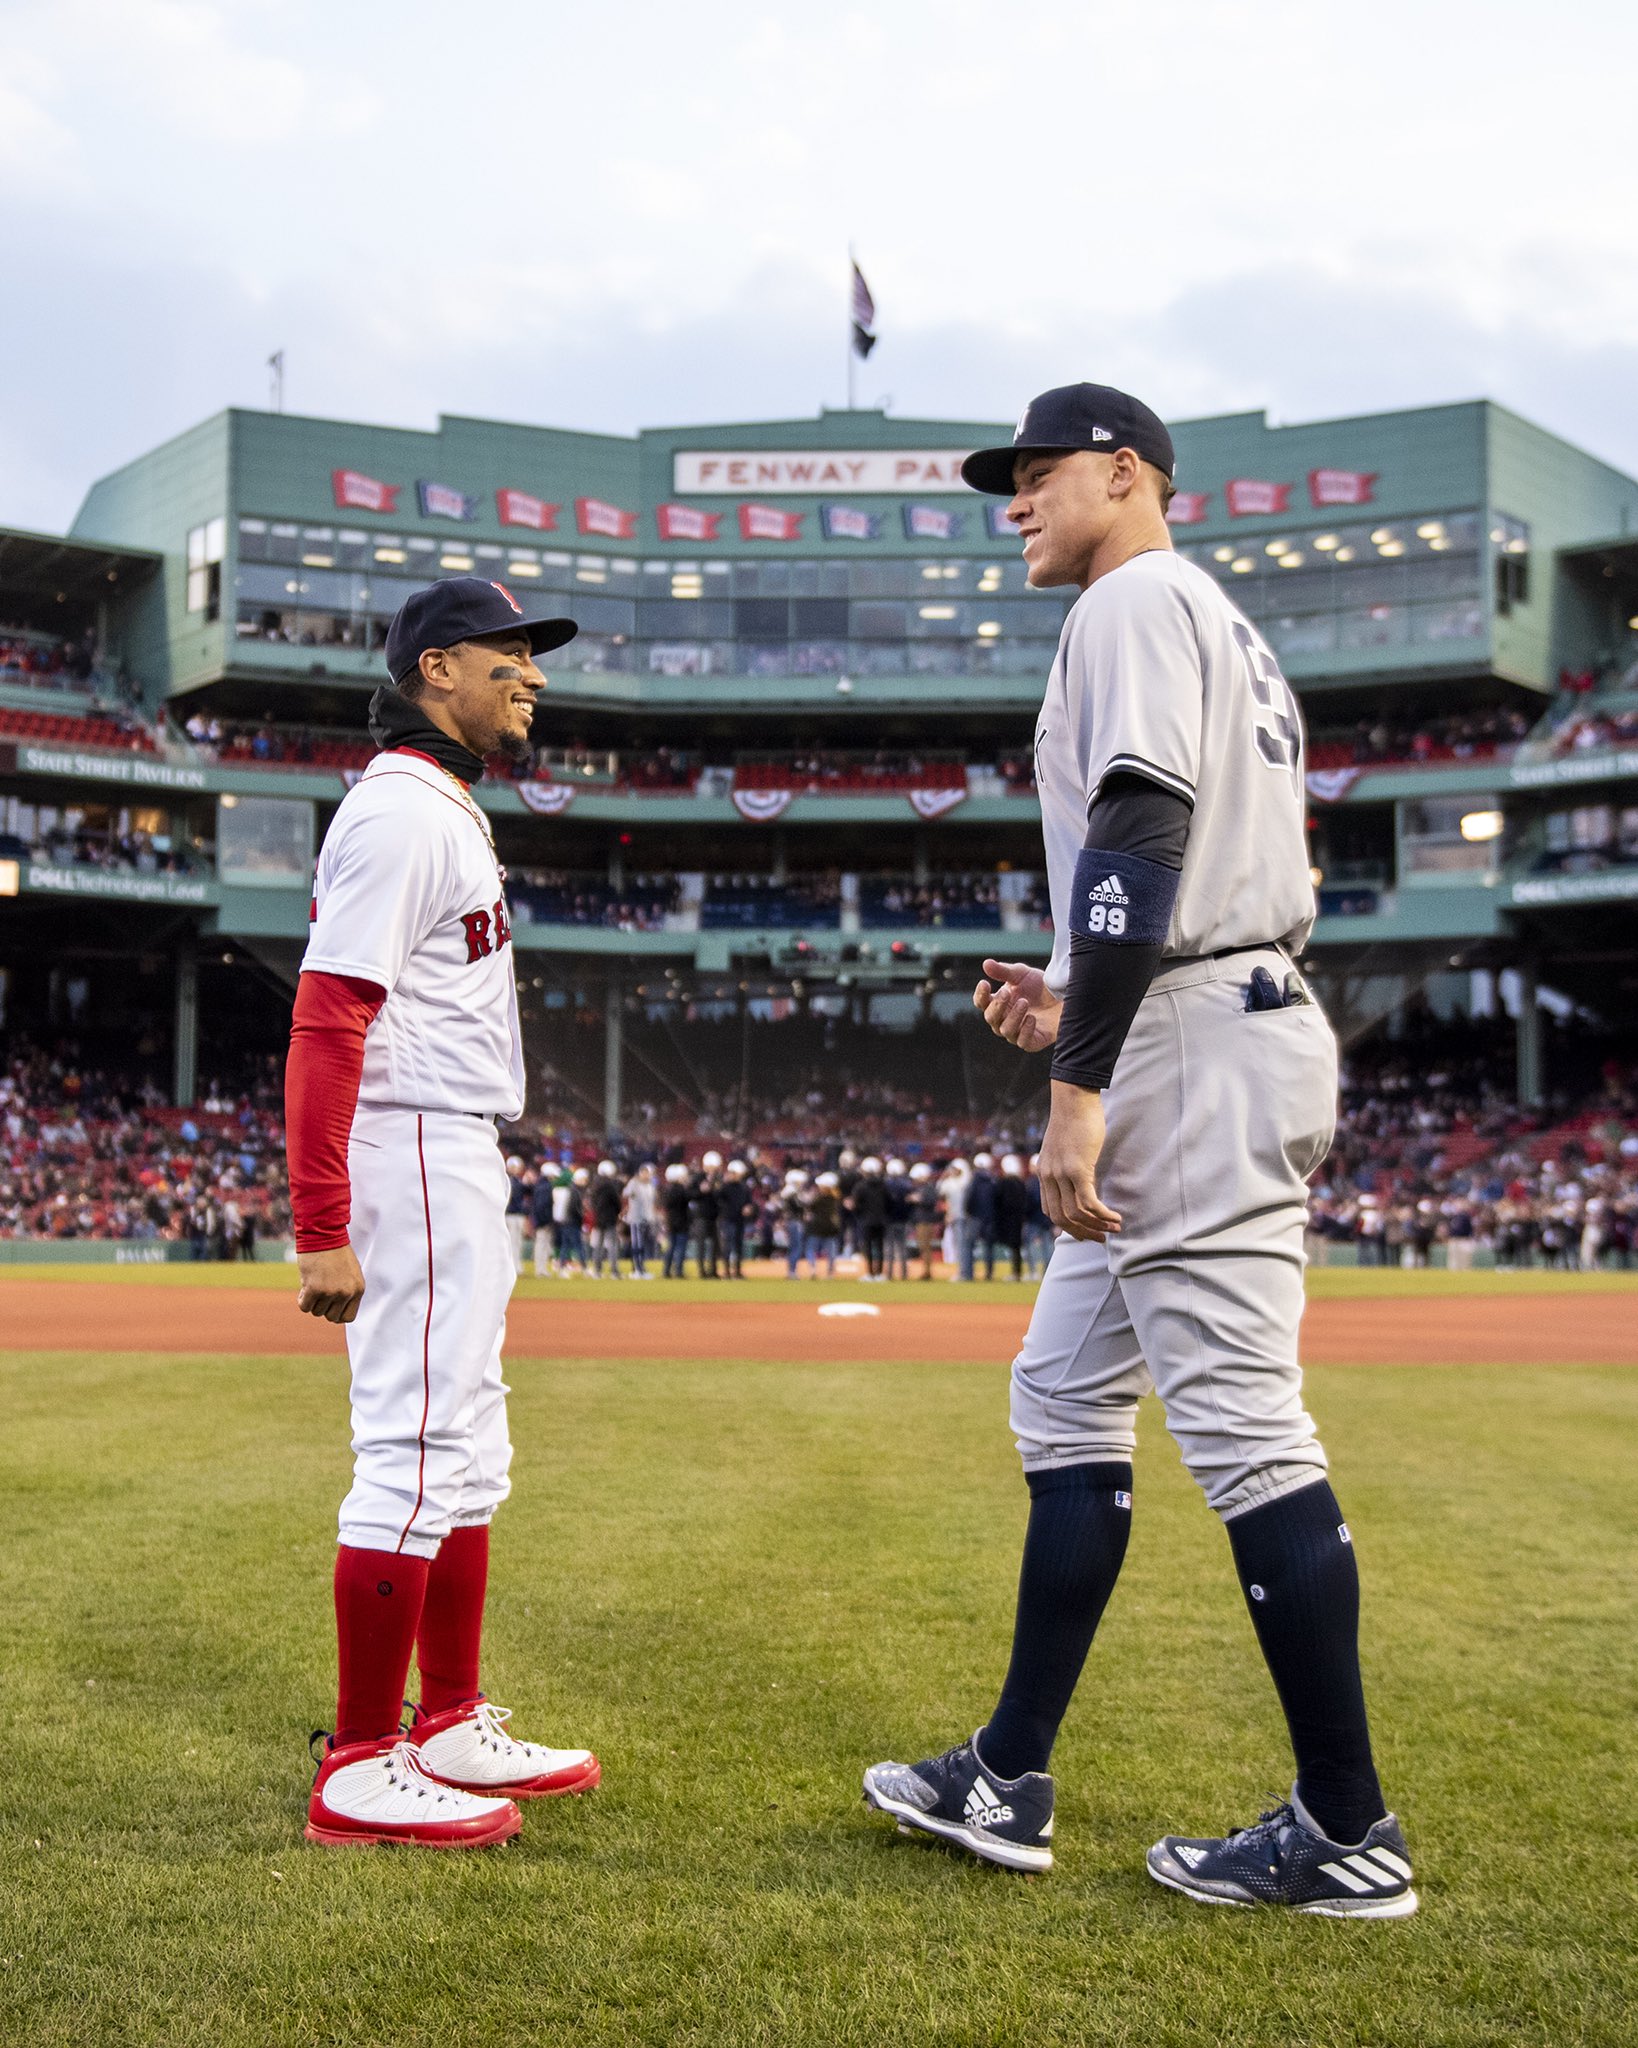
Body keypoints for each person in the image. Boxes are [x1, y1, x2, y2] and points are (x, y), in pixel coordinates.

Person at [863, 383, 1414, 1915]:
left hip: (1193, 1045)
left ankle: (1345, 1827)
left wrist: (1080, 1080)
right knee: (1061, 1396)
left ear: (1128, 473)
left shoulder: (1126, 601)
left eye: (1040, 473)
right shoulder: (1204, 614)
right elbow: (1162, 871)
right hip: (1206, 1003)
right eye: (1009, 481)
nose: (1016, 500)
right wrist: (1078, 993)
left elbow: (1139, 837)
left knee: (1242, 1423)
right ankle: (1005, 1771)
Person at [287, 576, 598, 1850]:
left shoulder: (443, 807)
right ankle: (362, 1759)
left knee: (466, 1442)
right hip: (409, 1140)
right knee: (413, 1447)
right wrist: (319, 1221)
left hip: (453, 1147)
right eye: (507, 653)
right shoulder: (403, 814)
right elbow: (326, 1014)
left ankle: (451, 1718)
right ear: (435, 670)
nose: (530, 672)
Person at [718, 1158, 753, 1277]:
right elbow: (718, 1199)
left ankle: (737, 1271)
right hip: (728, 1220)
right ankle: (727, 1271)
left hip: (739, 1221)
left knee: (738, 1246)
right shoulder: (725, 1187)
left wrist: (749, 1208)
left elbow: (750, 1203)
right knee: (728, 1246)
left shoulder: (744, 1188)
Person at [587, 1160, 623, 1278]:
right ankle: (614, 1271)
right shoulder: (610, 1186)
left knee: (598, 1244)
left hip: (598, 1218)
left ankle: (597, 1270)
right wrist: (618, 1212)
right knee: (612, 1245)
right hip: (609, 1218)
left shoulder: (594, 1185)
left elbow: (592, 1203)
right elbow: (617, 1202)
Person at [908, 1161, 942, 1278]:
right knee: (923, 1247)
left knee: (925, 1247)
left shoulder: (928, 1188)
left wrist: (919, 1199)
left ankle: (927, 1271)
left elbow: (931, 1201)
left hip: (926, 1221)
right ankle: (926, 1270)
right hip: (922, 1220)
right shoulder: (924, 1187)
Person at [883, 1158, 913, 1280]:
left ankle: (889, 1273)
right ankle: (904, 1274)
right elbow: (910, 1204)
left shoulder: (885, 1185)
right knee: (902, 1248)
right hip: (902, 1220)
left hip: (889, 1220)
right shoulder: (906, 1185)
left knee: (889, 1248)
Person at [661, 1163, 692, 1277]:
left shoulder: (667, 1190)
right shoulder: (682, 1190)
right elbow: (688, 1200)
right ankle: (678, 1271)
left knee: (671, 1247)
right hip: (682, 1222)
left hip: (671, 1221)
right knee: (680, 1247)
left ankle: (666, 1270)